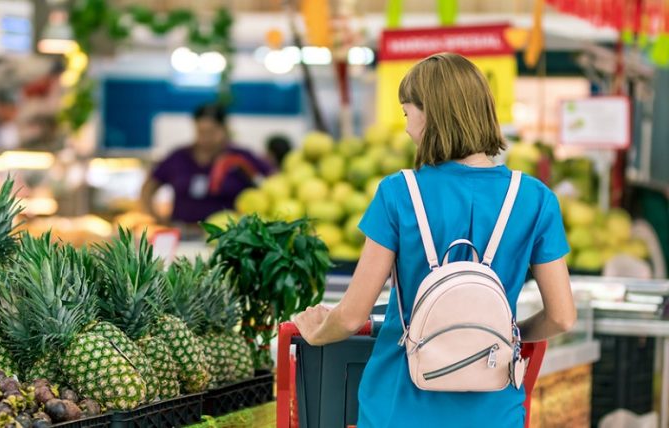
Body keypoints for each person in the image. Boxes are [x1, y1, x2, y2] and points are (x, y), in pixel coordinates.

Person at [292, 53, 576, 427]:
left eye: (408, 113)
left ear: (431, 115)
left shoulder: (398, 193)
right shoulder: (536, 198)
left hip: (399, 403)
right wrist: (500, 338)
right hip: (494, 407)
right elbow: (562, 316)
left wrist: (314, 332)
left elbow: (351, 316)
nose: (407, 128)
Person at [141, 103, 273, 224]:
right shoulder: (178, 157)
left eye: (211, 132)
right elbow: (148, 187)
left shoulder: (241, 158)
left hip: (229, 237)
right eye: (201, 132)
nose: (205, 138)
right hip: (183, 233)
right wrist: (157, 218)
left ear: (224, 129)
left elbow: (273, 181)